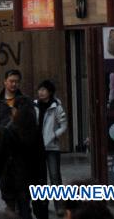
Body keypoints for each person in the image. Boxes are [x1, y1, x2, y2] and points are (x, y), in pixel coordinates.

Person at [0, 97, 47, 219]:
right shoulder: (35, 130)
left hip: (15, 176)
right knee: (34, 207)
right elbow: (41, 155)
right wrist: (42, 177)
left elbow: (2, 155)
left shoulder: (9, 130)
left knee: (22, 208)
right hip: (34, 174)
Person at [34, 80, 67, 215]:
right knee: (40, 178)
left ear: (50, 92)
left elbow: (64, 125)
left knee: (55, 177)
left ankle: (60, 206)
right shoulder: (34, 105)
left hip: (52, 148)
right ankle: (42, 205)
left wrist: (53, 135)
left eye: (44, 90)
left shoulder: (56, 106)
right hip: (37, 147)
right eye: (39, 90)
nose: (41, 92)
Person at [0, 70, 24, 139]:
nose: (14, 84)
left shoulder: (24, 100)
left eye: (16, 82)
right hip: (2, 139)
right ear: (5, 81)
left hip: (19, 139)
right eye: (11, 81)